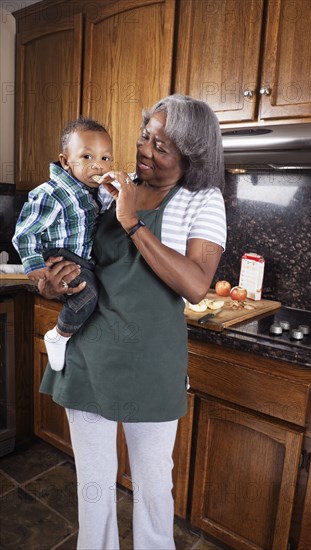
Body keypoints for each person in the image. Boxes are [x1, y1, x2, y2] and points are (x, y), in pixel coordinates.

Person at [38, 94, 227, 549]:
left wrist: (131, 222)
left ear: (190, 157)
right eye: (146, 136)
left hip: (153, 366)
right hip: (91, 357)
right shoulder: (105, 187)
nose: (144, 150)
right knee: (95, 486)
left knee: (154, 487)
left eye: (161, 147)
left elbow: (197, 284)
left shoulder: (203, 200)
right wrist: (50, 283)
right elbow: (71, 260)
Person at [12, 116, 115, 371]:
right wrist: (33, 263)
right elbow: (25, 232)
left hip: (80, 257)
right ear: (65, 162)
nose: (98, 166)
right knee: (88, 292)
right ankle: (59, 336)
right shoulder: (53, 193)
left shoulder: (93, 192)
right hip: (61, 255)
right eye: (87, 157)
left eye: (105, 158)